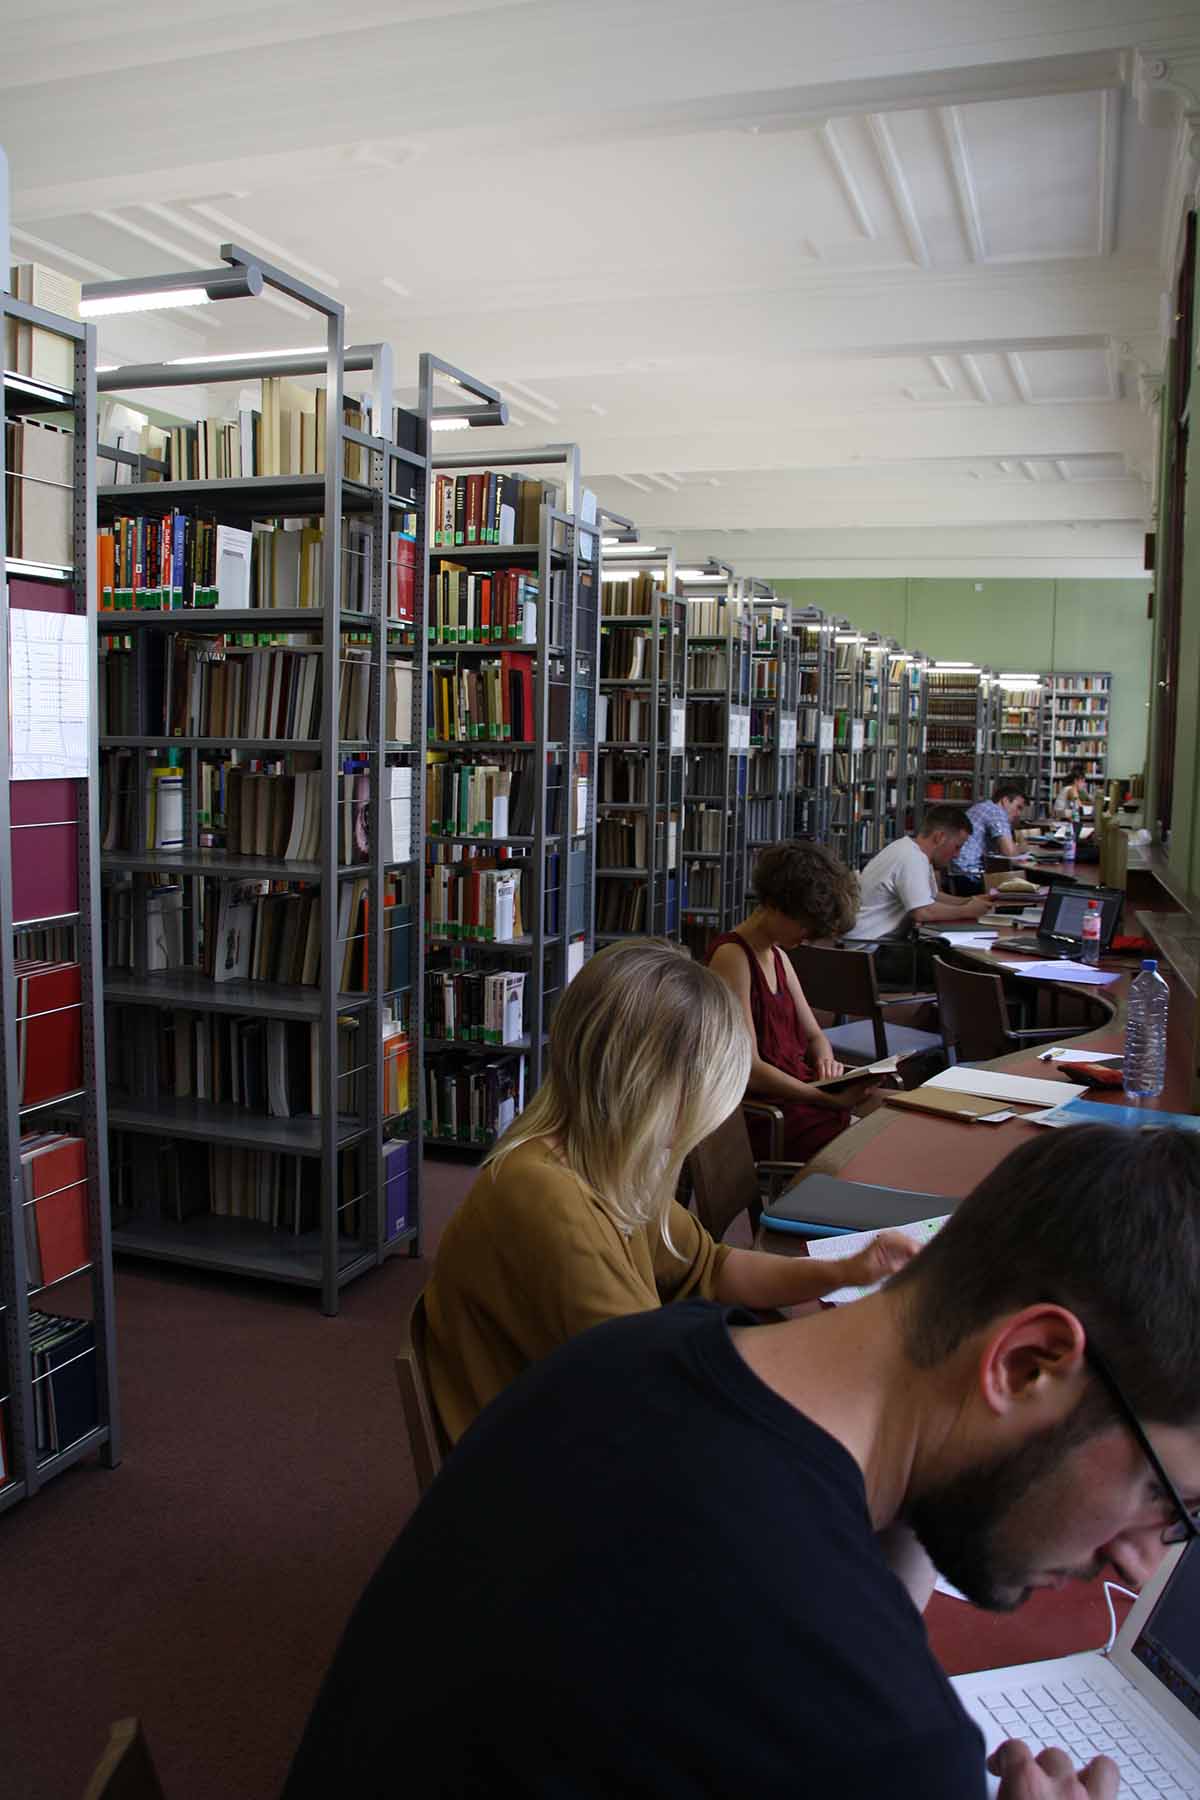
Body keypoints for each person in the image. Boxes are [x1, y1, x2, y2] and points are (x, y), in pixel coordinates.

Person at [283, 1125, 1200, 1800]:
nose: (1143, 1562)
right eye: (1162, 1499)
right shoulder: (880, 1741)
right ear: (1025, 1361)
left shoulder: (643, 1354)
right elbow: (822, 1690)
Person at [423, 937, 917, 1445]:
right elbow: (653, 1381)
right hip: (547, 1461)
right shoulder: (545, 1195)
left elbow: (710, 1266)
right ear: (649, 1086)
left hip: (591, 1420)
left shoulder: (606, 1160)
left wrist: (845, 1272)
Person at [708, 841, 866, 1162]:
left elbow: (814, 1036)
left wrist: (826, 1062)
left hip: (797, 1095)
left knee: (891, 1108)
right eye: (805, 923)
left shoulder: (778, 955)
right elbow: (750, 1070)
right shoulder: (732, 957)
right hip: (767, 1113)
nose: (808, 935)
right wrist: (825, 1098)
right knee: (874, 1138)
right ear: (776, 905)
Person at [846, 803, 993, 984]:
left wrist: (969, 900)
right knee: (954, 967)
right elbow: (923, 911)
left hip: (866, 946)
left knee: (945, 954)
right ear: (940, 837)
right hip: (869, 953)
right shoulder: (912, 859)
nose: (957, 855)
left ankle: (933, 1012)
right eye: (957, 847)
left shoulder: (908, 849)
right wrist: (968, 911)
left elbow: (932, 896)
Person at [947, 782, 1030, 896]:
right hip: (969, 877)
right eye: (1018, 807)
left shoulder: (983, 807)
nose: (1019, 814)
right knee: (1030, 882)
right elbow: (1009, 851)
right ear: (1005, 801)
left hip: (956, 872)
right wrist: (1023, 850)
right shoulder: (996, 812)